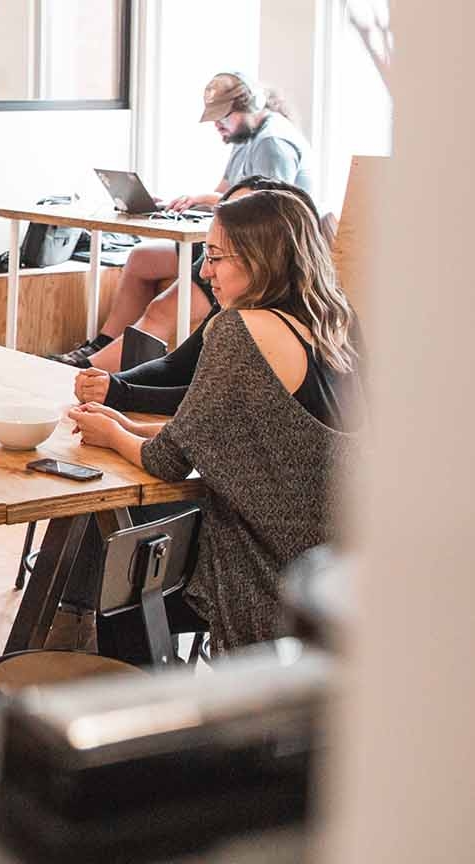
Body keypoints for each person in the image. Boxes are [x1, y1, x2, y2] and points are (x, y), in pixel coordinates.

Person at [68, 190, 361, 652]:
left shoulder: (241, 329)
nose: (205, 272)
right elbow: (216, 432)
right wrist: (123, 427)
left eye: (215, 257)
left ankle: (143, 716)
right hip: (331, 569)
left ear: (260, 259)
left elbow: (167, 461)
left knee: (120, 593)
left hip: (267, 577)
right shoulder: (326, 325)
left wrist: (111, 434)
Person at [53, 71, 316, 371]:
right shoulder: (245, 138)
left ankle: (93, 370)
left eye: (223, 117)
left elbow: (268, 214)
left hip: (255, 256)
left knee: (162, 308)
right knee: (141, 259)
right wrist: (185, 203)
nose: (218, 125)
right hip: (234, 244)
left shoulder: (273, 144)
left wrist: (207, 199)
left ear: (250, 106)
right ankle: (103, 342)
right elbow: (225, 193)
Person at [72, 176, 324, 414]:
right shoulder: (250, 304)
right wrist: (109, 383)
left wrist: (118, 394)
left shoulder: (257, 325)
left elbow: (204, 410)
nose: (205, 271)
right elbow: (179, 367)